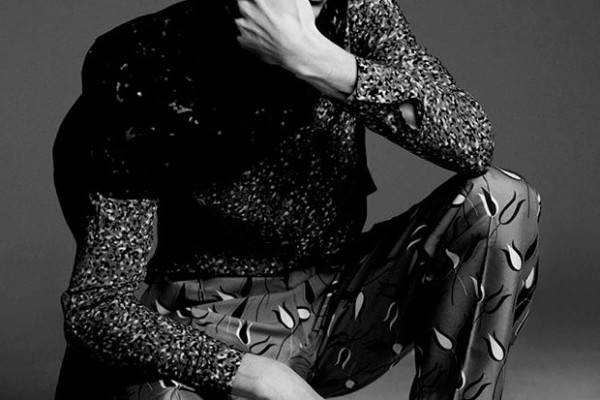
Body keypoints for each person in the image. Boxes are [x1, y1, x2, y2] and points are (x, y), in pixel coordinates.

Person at [53, 0, 541, 399]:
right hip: (195, 329)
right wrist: (256, 375)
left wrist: (311, 57)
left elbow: (471, 141)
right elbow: (96, 306)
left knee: (500, 200)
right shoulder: (143, 62)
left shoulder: (354, 14)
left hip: (334, 310)